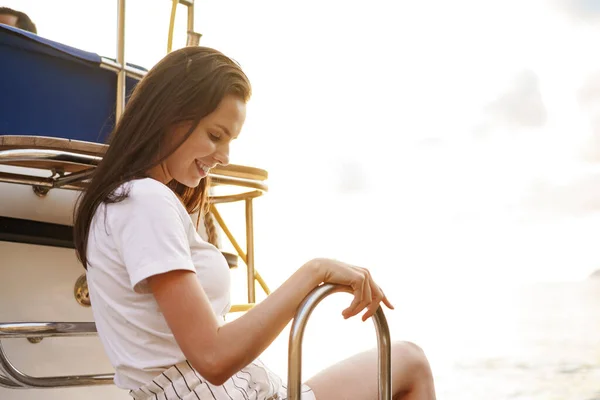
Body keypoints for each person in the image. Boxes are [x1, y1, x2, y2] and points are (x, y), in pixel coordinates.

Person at [73, 46, 437, 400]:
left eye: (230, 140)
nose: (225, 156)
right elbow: (212, 358)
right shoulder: (145, 201)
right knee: (410, 362)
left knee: (408, 360)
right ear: (170, 117)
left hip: (237, 390)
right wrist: (315, 271)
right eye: (215, 135)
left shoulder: (125, 201)